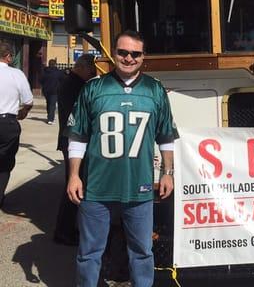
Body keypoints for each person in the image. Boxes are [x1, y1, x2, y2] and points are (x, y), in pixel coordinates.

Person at [67, 30, 178, 287]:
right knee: (89, 253)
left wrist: (167, 173)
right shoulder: (93, 88)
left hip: (139, 187)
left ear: (143, 56)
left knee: (142, 252)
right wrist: (74, 175)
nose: (129, 58)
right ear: (113, 54)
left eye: (135, 53)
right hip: (97, 185)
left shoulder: (155, 90)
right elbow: (78, 136)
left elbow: (166, 136)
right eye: (123, 52)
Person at [53, 54, 96, 246]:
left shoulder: (70, 82)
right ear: (82, 67)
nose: (92, 74)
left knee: (74, 186)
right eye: (91, 70)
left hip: (69, 139)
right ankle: (64, 231)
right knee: (74, 185)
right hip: (72, 139)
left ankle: (67, 229)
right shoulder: (75, 85)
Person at [0, 42, 33, 208]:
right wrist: (23, 112)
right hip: (7, 123)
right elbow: (28, 101)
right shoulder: (16, 74)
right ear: (8, 57)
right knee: (5, 163)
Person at [40, 59, 65, 124]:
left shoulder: (44, 72)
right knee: (52, 105)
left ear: (49, 64)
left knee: (48, 103)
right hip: (55, 90)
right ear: (55, 64)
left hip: (46, 90)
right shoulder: (58, 72)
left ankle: (49, 116)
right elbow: (63, 80)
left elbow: (41, 80)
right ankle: (50, 119)